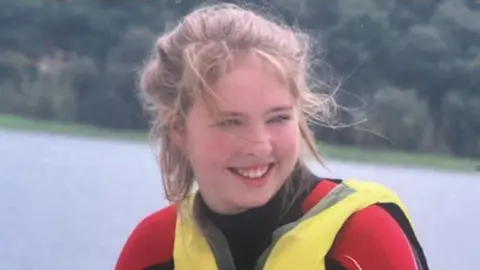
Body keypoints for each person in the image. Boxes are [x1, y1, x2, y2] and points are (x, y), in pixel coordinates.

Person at [115, 3, 429, 270]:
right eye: (231, 122)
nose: (260, 145)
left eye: (278, 118)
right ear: (179, 132)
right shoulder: (154, 248)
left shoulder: (364, 240)